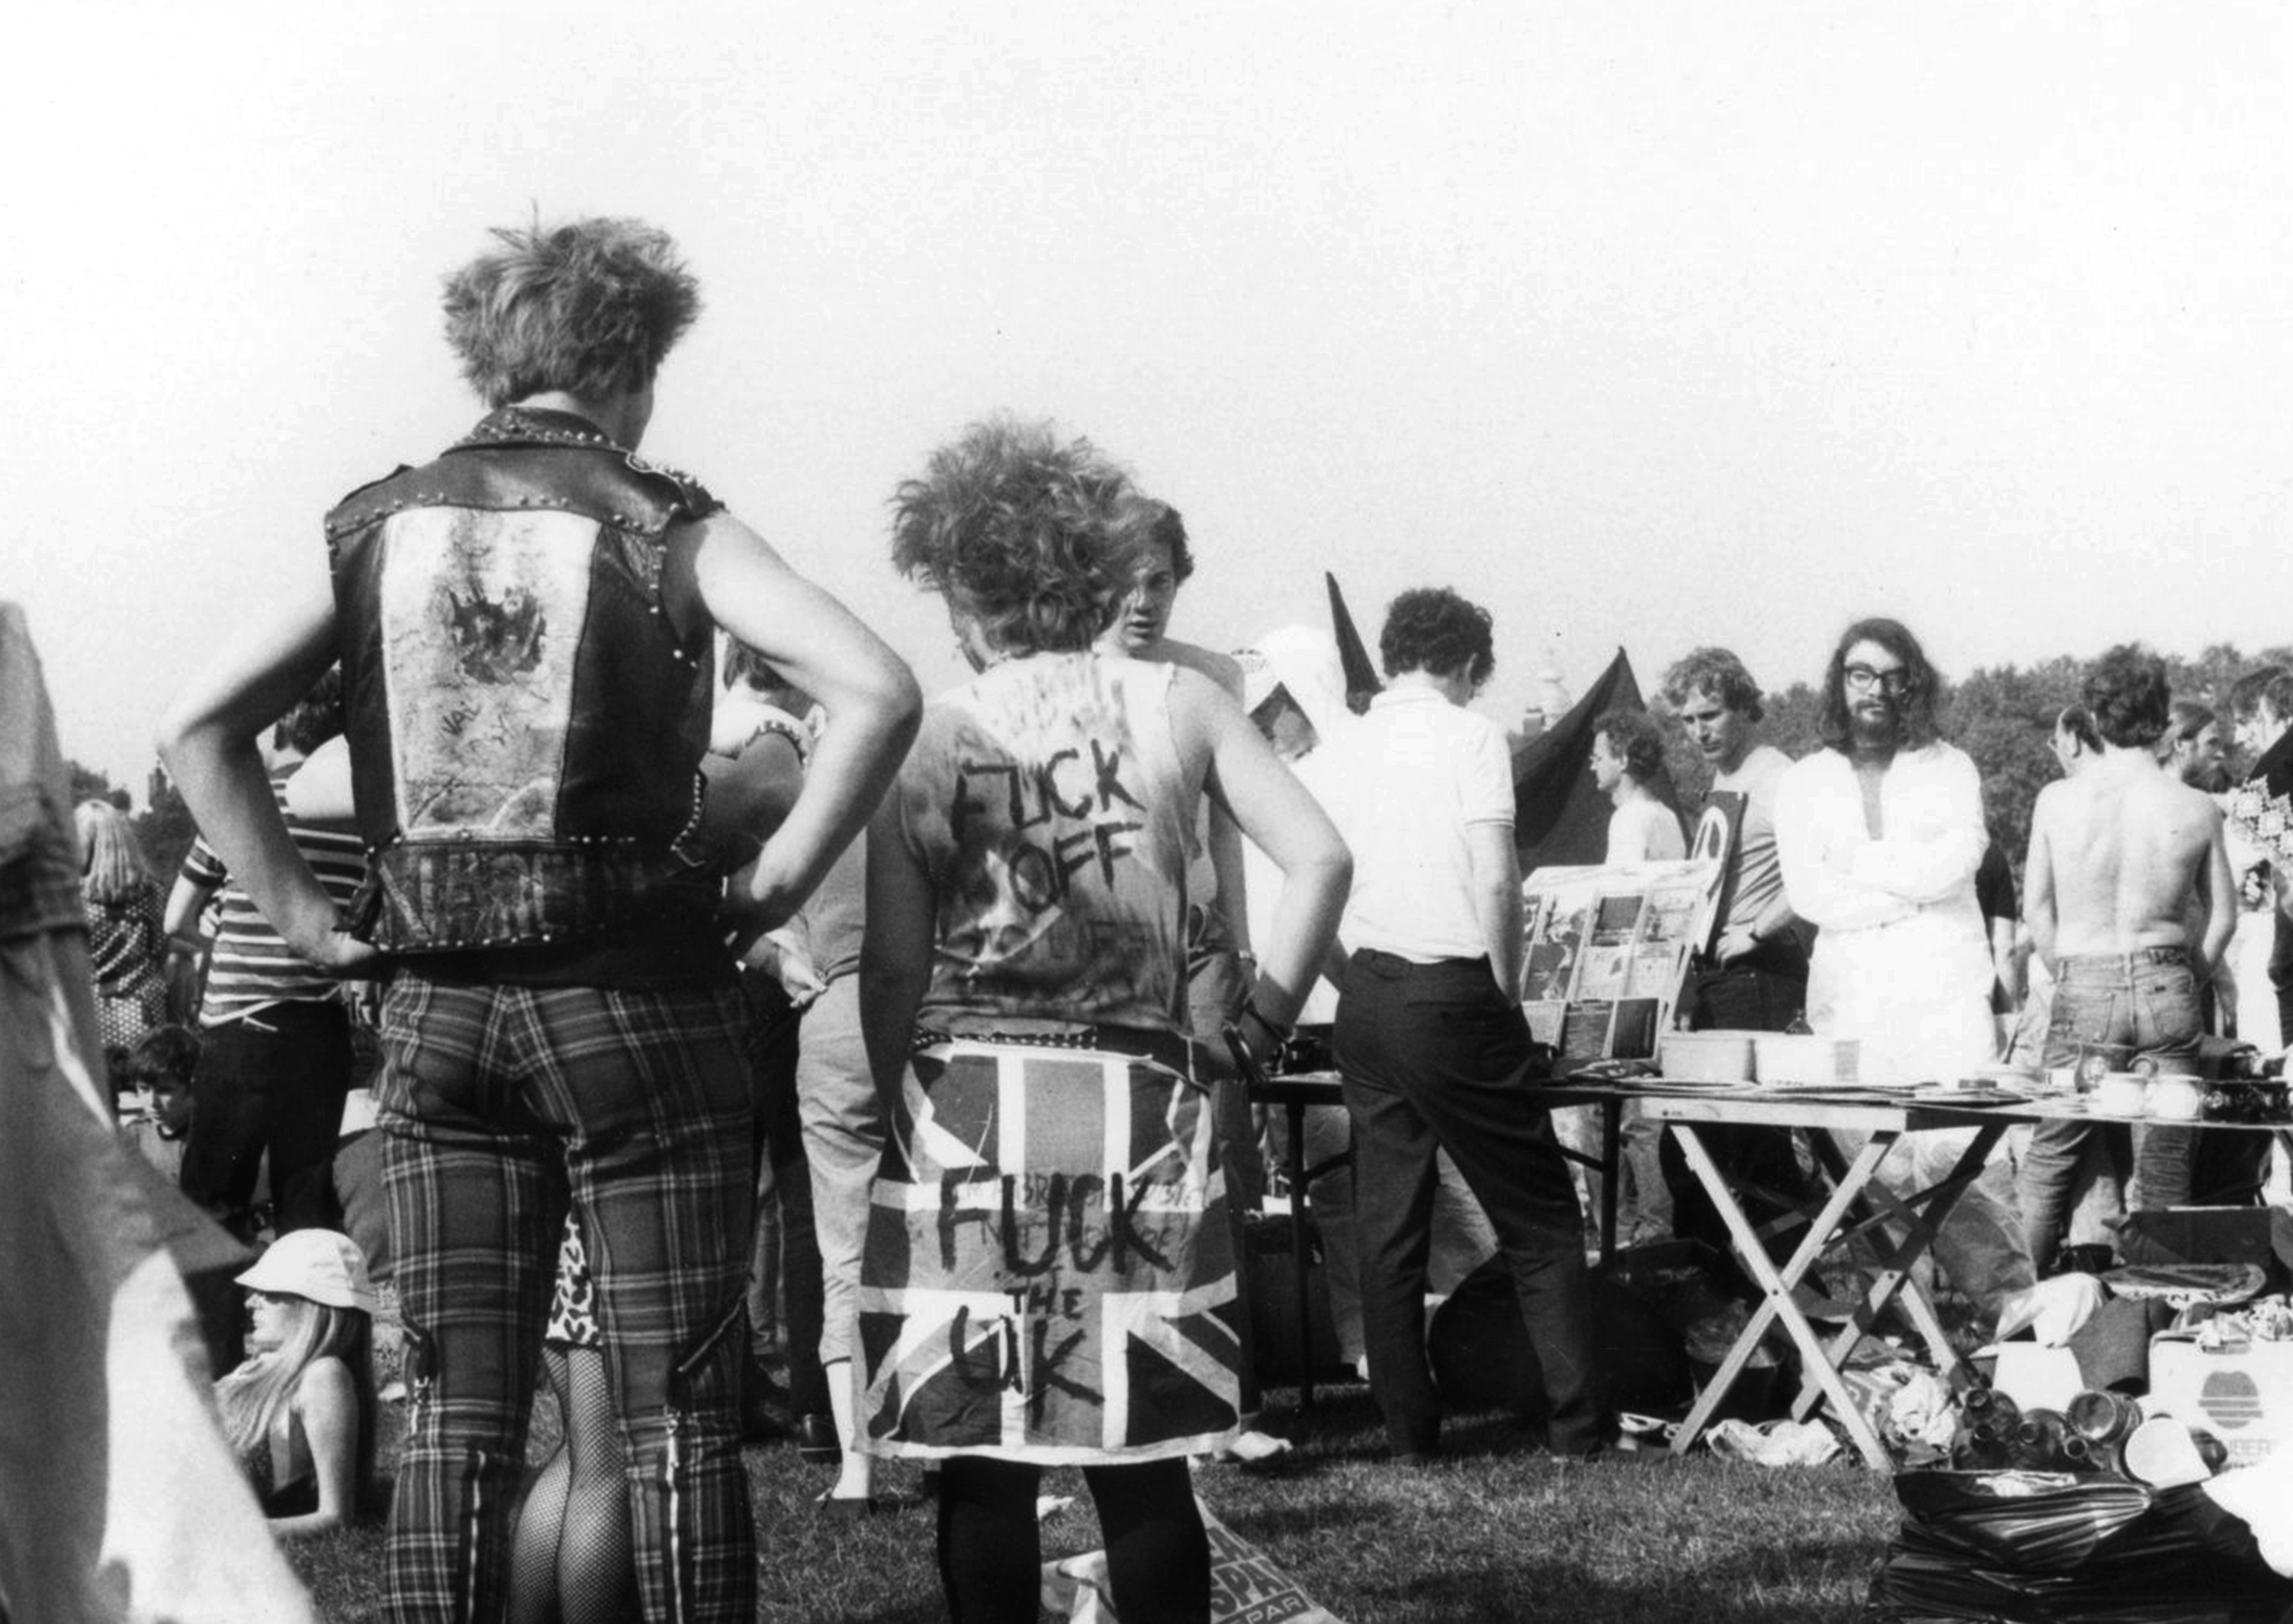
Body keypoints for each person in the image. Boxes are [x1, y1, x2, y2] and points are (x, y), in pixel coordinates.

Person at [157, 216, 921, 1624]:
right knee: (676, 1418)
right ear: (637, 364)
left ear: (488, 360)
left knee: (456, 1419)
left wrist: (313, 928)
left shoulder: (373, 525)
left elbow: (196, 730)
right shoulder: (668, 521)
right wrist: (771, 886)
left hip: (436, 1013)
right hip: (641, 1004)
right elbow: (876, 687)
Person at [855, 417, 1350, 1624]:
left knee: (982, 1454)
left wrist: (900, 1107)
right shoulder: (1185, 702)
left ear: (965, 591)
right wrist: (1258, 1033)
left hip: (969, 1109)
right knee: (1144, 1453)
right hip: (1140, 1103)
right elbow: (1323, 860)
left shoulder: (928, 737)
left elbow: (892, 970)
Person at [1317, 586, 1604, 1462]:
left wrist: (1350, 978)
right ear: (1470, 665)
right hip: (1453, 989)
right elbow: (1496, 878)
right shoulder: (1472, 736)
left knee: (1388, 1229)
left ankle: (1409, 1432)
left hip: (1368, 995)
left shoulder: (1341, 747)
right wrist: (1507, 993)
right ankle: (1576, 1428)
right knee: (1540, 1219)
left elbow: (1310, 883)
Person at [1773, 618, 2033, 1323]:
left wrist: (1857, 863)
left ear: (1913, 685)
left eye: (1893, 677)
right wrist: (1909, 890)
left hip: (1945, 993)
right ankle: (1901, 1334)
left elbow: (1960, 864)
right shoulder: (1805, 781)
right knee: (1872, 1175)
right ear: (1840, 681)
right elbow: (1809, 894)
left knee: (1964, 1159)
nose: (1876, 691)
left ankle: (2014, 1324)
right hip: (1852, 998)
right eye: (1861, 674)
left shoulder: (1951, 768)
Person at [2018, 646, 2234, 1272]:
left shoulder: (2057, 800)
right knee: (2165, 1170)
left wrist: (2073, 974)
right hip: (2166, 979)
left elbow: (2037, 911)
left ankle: (2018, 1312)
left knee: (2051, 1159)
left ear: (2093, 717)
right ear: (2163, 718)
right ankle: (2159, 1322)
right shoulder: (2195, 807)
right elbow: (2223, 916)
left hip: (2084, 978)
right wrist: (2184, 978)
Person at [166, 673, 366, 1243]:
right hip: (323, 1030)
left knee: (213, 1212)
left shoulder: (239, 807)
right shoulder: (359, 817)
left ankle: (220, 1307)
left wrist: (220, 935)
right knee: (307, 1212)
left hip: (242, 1031)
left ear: (281, 725)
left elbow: (175, 922)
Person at [1655, 648, 1812, 1265]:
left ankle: (1791, 1291)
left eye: (1712, 714)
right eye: (1688, 721)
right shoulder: (1724, 779)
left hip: (1762, 976)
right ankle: (1721, 1285)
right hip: (1719, 979)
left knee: (1749, 1148)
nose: (1700, 732)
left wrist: (1758, 931)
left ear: (1745, 706)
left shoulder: (1780, 777)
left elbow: (1819, 872)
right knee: (1693, 1148)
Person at [213, 1228, 380, 1539]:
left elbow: (335, 1516)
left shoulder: (323, 1376)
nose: (252, 1302)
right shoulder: (255, 1370)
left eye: (270, 1293)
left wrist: (240, 1532)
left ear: (314, 1306)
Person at [76, 799, 169, 1052]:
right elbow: (160, 951)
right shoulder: (153, 893)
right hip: (146, 1013)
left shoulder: (73, 901)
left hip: (89, 1016)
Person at [1590, 708, 1687, 864]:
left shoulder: (1628, 817)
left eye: (1598, 758)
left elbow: (1623, 878)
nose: (1593, 767)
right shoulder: (1668, 815)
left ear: (1622, 761)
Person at [119, 1023, 201, 1181]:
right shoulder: (135, 1135)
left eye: (164, 1091)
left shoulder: (204, 1144)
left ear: (191, 1088)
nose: (152, 1102)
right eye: (144, 1089)